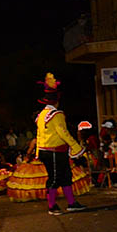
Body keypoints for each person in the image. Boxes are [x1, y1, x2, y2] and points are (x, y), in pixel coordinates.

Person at [34, 73, 87, 215]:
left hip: (48, 151)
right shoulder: (57, 115)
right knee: (56, 178)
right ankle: (52, 206)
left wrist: (38, 152)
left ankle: (71, 203)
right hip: (54, 151)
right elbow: (63, 133)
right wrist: (77, 148)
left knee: (64, 176)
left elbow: (38, 135)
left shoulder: (40, 116)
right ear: (56, 101)